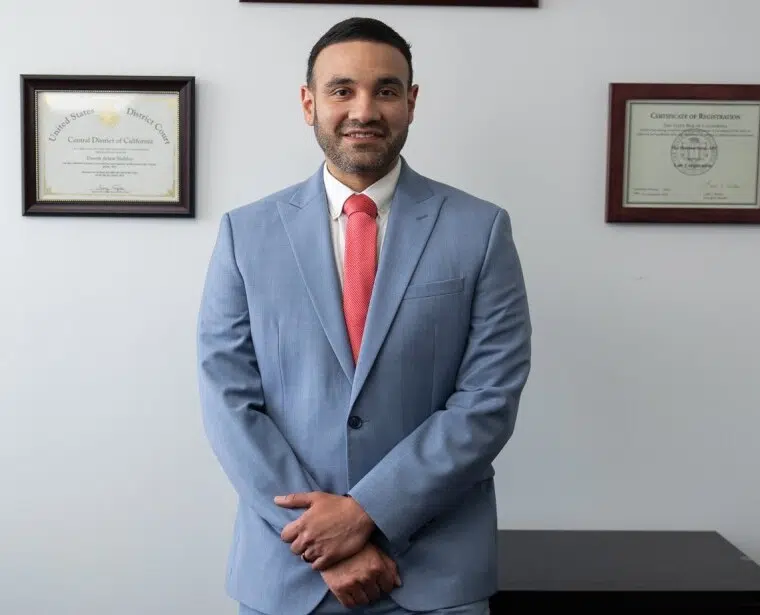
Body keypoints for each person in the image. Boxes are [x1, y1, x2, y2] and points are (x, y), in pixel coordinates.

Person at [197, 16, 532, 615]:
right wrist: (323, 543)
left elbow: (488, 400)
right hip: (288, 571)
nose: (364, 110)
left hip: (435, 573)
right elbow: (229, 402)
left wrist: (365, 514)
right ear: (309, 103)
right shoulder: (245, 235)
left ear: (411, 102)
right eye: (342, 89)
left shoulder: (481, 230)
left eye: (386, 90)